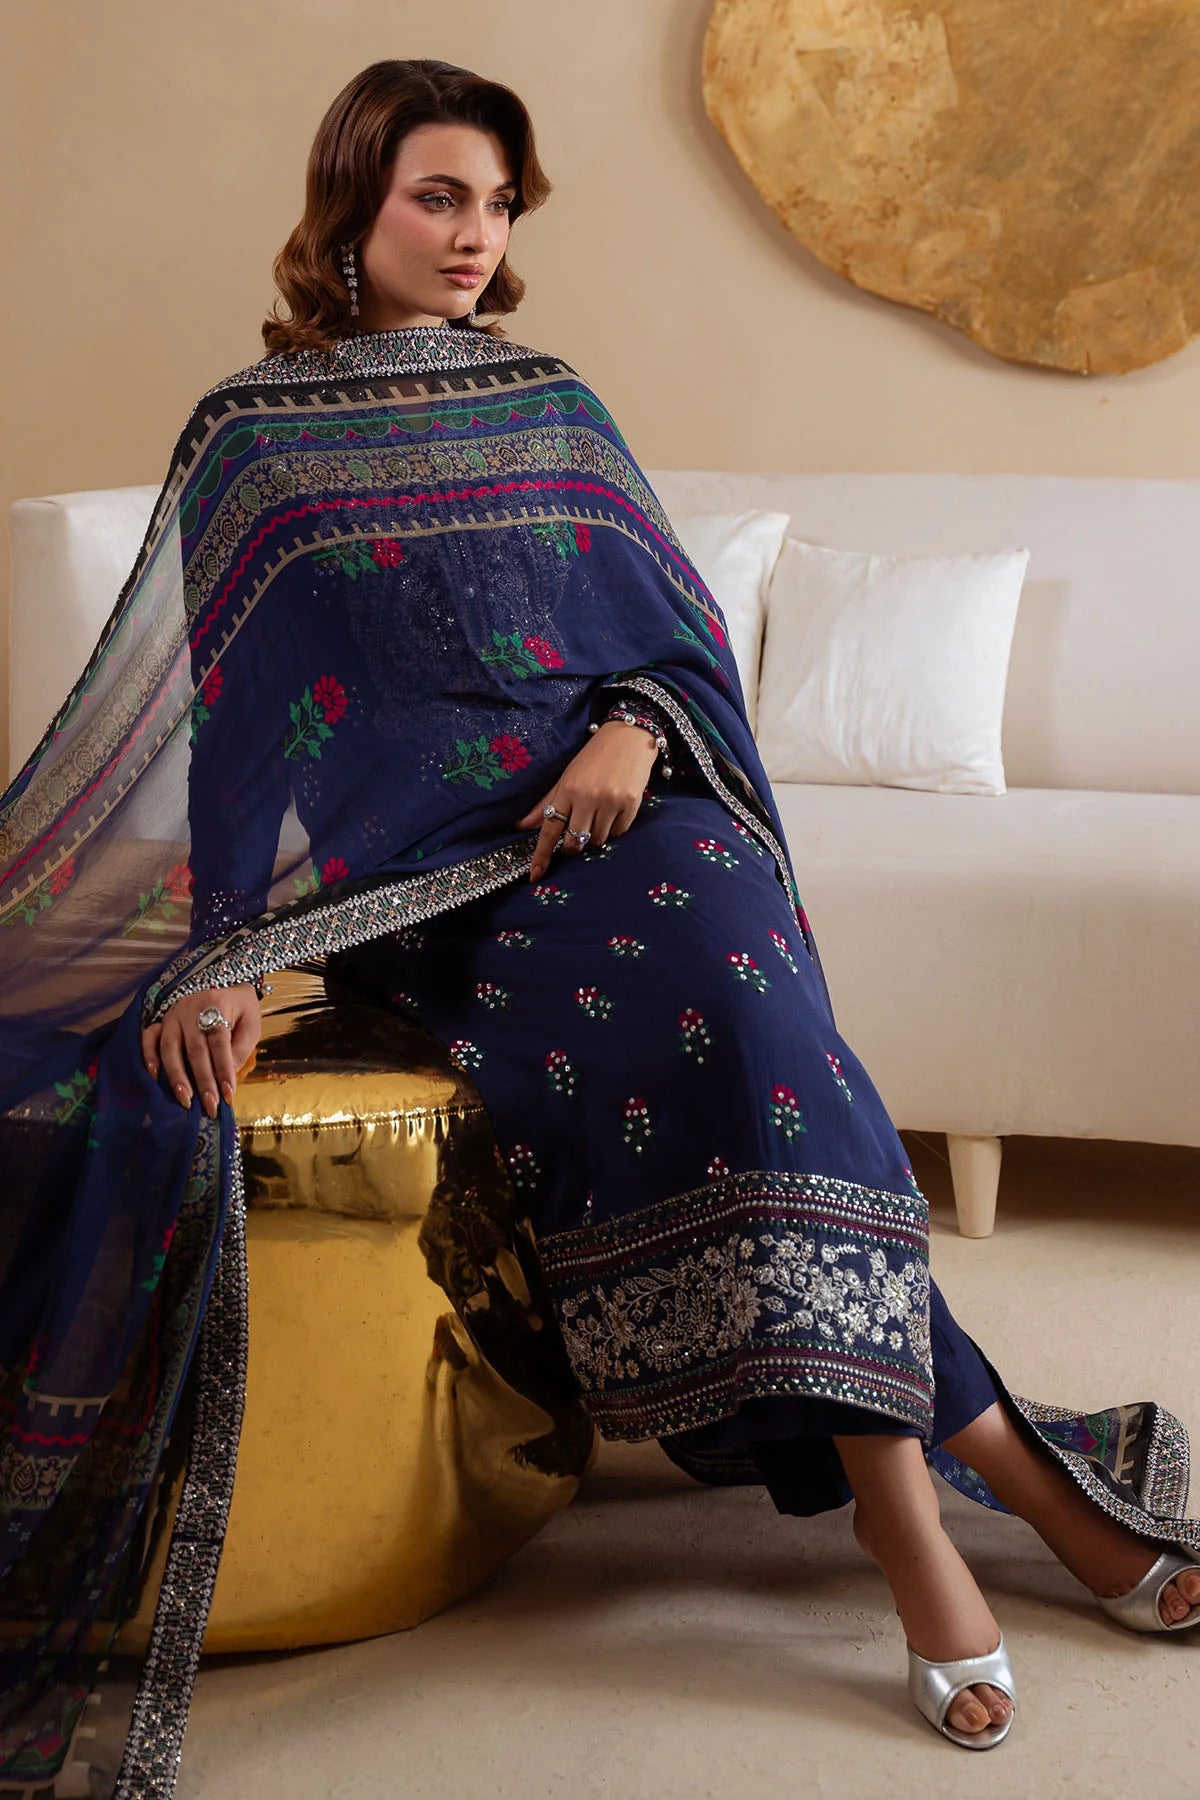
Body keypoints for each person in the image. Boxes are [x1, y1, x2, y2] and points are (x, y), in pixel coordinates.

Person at [1, 56, 1197, 1795]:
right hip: (439, 890)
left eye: (498, 205)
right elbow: (242, 736)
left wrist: (637, 727)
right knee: (734, 1043)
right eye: (439, 197)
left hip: (644, 826)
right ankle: (968, 1489)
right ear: (350, 205)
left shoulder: (552, 401)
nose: (475, 235)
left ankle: (914, 1517)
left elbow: (674, 636)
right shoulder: (251, 442)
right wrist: (228, 949)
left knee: (746, 997)